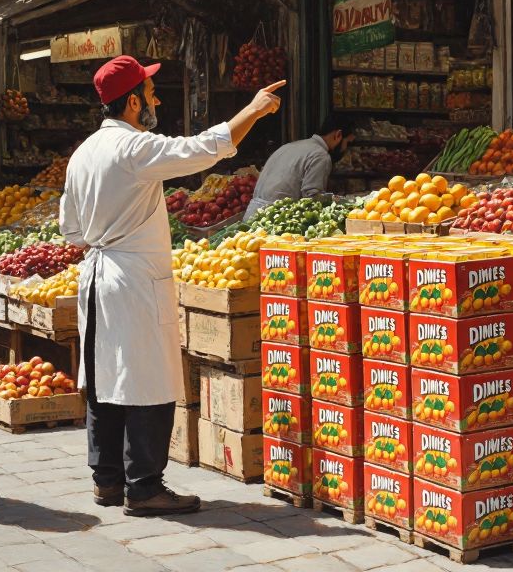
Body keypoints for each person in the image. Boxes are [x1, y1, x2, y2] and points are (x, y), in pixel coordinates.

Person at [60, 55, 283, 516]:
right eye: (149, 91)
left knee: (104, 379)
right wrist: (254, 110)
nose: (156, 98)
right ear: (131, 103)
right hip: (132, 278)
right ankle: (144, 487)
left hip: (100, 275)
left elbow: (71, 231)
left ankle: (107, 480)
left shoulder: (83, 153)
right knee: (148, 379)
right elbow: (203, 148)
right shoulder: (132, 149)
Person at [243, 115, 355, 220]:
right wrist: (339, 201)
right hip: (273, 220)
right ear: (338, 135)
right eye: (347, 143)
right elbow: (312, 198)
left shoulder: (289, 146)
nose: (346, 149)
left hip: (251, 216)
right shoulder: (321, 155)